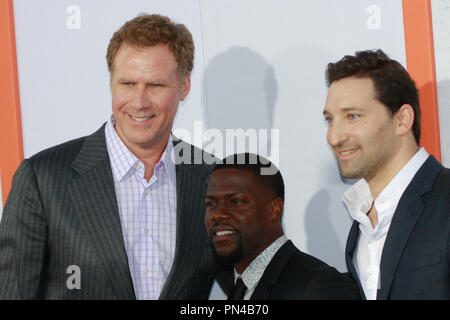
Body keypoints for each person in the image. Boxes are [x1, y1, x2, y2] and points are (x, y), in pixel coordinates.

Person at [0, 14, 220, 299]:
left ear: (184, 86)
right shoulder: (43, 180)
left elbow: (250, 283)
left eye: (155, 85)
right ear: (111, 83)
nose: (139, 102)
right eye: (128, 84)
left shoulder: (212, 178)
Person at [323, 49, 450, 300]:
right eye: (330, 120)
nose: (334, 137)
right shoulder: (361, 222)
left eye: (353, 116)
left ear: (402, 120)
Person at [204, 153, 360, 300]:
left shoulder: (321, 287)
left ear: (274, 209)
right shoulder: (240, 288)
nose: (218, 215)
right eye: (211, 204)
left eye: (236, 202)